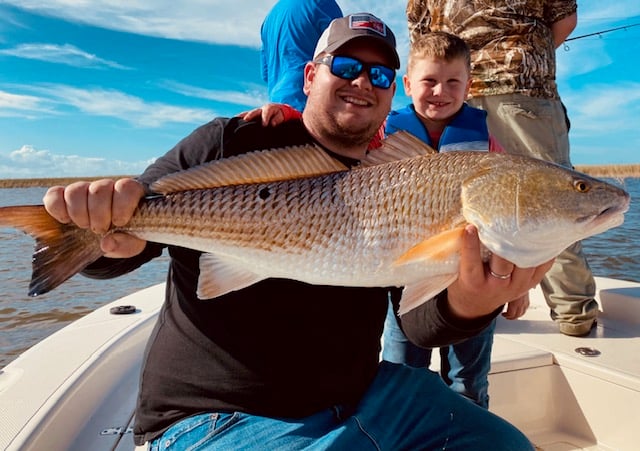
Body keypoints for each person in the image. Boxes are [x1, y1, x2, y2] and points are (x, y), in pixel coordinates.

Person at [43, 13, 551, 450]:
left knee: (505, 443)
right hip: (213, 415)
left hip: (362, 395)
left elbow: (418, 325)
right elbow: (126, 241)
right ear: (310, 75)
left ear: (393, 91)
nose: (363, 82)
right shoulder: (231, 141)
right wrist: (100, 225)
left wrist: (471, 301)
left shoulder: (407, 177)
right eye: (346, 67)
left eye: (380, 74)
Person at [407, 0, 598, 337]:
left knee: (547, 202)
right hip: (511, 90)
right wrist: (517, 56)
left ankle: (477, 305)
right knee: (554, 203)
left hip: (455, 95)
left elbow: (419, 32)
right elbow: (564, 21)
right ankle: (573, 310)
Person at [381, 31, 529, 409]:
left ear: (469, 86)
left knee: (467, 380)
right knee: (401, 373)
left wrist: (517, 285)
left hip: (475, 281)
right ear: (408, 84)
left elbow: (513, 217)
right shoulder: (382, 136)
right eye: (429, 81)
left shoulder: (487, 144)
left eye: (452, 82)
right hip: (407, 281)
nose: (439, 92)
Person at [260, 0, 343, 112]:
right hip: (309, 104)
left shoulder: (269, 19)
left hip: (276, 108)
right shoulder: (323, 3)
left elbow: (265, 73)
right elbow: (343, 56)